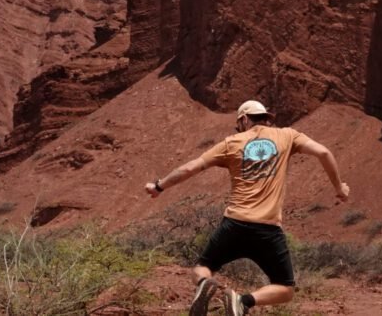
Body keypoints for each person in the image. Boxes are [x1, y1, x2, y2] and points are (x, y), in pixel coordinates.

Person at [145, 100, 349, 316]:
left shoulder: (231, 143)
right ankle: (243, 301)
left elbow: (190, 168)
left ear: (243, 119)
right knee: (285, 288)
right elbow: (323, 153)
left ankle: (205, 284)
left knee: (202, 268)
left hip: (234, 224)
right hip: (268, 229)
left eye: (238, 125)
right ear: (265, 118)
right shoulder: (287, 136)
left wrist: (159, 186)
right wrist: (339, 188)